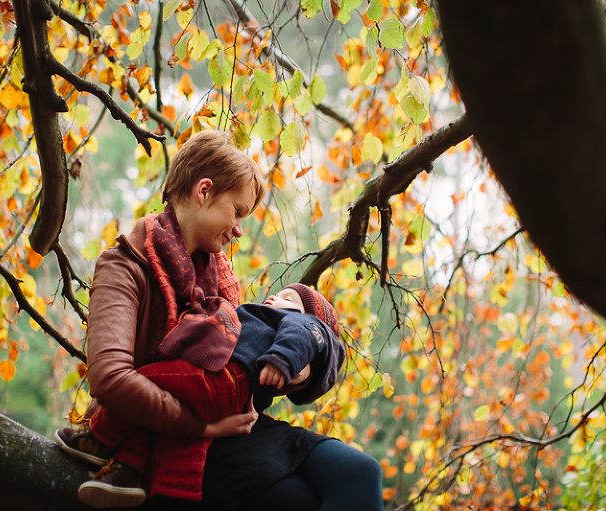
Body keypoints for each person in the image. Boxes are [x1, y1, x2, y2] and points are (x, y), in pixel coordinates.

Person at [58, 130, 383, 510]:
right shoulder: (125, 267)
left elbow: (238, 369)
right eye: (238, 211)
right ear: (205, 191)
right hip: (173, 436)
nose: (240, 228)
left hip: (235, 424)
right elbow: (110, 379)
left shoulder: (221, 279)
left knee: (360, 472)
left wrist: (301, 370)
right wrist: (204, 427)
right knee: (298, 500)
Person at [56, 283, 345, 508]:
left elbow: (301, 336)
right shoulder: (266, 319)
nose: (274, 299)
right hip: (223, 383)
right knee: (151, 414)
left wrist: (282, 359)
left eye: (288, 299)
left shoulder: (304, 325)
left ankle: (99, 439)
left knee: (142, 382)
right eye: (277, 294)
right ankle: (128, 474)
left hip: (227, 379)